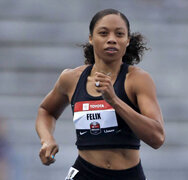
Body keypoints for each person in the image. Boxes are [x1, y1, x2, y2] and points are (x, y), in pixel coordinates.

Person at [35, 9, 165, 180]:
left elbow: (157, 138)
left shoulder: (137, 80)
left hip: (127, 175)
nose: (111, 39)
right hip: (84, 172)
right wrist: (47, 139)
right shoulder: (71, 78)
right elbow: (46, 110)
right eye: (103, 33)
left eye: (119, 34)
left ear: (127, 41)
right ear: (91, 38)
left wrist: (114, 101)